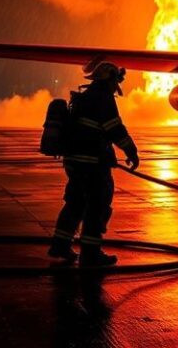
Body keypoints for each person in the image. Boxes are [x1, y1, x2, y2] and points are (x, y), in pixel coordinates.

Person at [47, 62, 139, 267]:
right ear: (110, 79)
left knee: (75, 203)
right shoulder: (102, 98)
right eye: (116, 79)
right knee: (97, 206)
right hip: (91, 163)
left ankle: (60, 245)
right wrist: (131, 151)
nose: (117, 84)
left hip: (74, 160)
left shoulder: (85, 97)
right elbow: (115, 128)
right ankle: (91, 253)